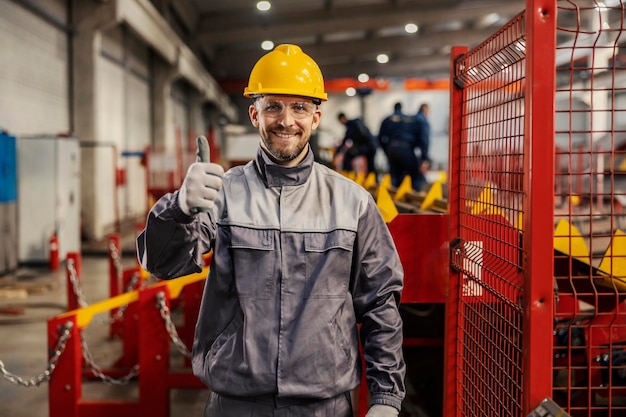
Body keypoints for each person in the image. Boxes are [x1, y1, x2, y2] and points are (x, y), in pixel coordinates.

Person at [136, 44, 406, 417]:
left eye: (299, 107)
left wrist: (386, 397)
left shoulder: (353, 203)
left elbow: (380, 303)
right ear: (254, 114)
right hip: (237, 402)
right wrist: (178, 208)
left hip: (324, 404)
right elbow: (163, 264)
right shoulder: (224, 194)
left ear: (315, 117)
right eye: (273, 106)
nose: (286, 120)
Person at [379, 102, 430, 191]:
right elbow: (423, 140)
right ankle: (414, 197)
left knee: (394, 175)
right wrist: (424, 158)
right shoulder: (415, 120)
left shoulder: (388, 119)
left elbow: (380, 137)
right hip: (406, 149)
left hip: (391, 149)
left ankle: (394, 198)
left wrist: (386, 151)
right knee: (415, 176)